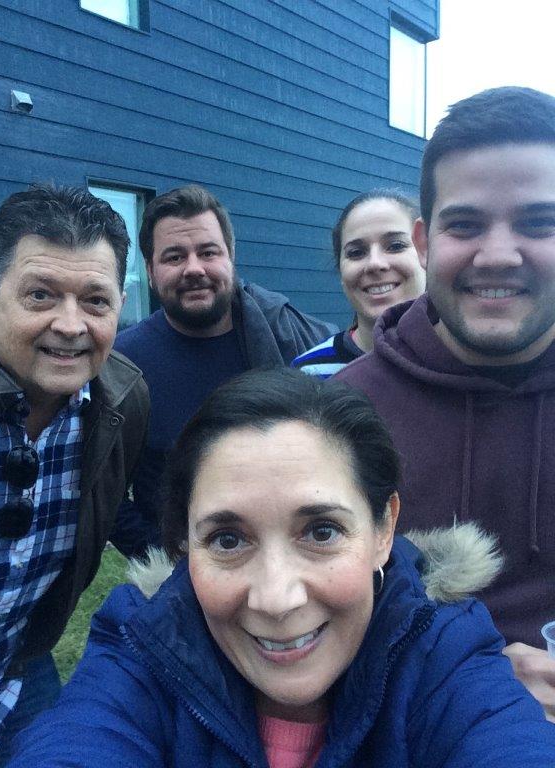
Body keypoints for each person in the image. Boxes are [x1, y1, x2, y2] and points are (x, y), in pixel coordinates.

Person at [8, 369, 555, 768]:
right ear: (183, 546)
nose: (276, 598)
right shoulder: (141, 643)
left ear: (384, 528)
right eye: (227, 539)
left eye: (321, 532)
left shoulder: (444, 652)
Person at [335, 86, 555, 721]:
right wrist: (462, 684)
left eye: (537, 223)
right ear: (426, 243)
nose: (498, 255)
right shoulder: (337, 418)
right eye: (466, 225)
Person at [0, 184, 149, 765]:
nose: (71, 325)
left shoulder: (123, 400)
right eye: (41, 295)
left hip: (14, 672)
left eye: (95, 301)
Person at [114, 184, 336, 553]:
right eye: (174, 257)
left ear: (231, 257)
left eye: (208, 252)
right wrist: (172, 559)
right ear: (151, 271)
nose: (194, 269)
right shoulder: (122, 363)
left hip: (295, 552)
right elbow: (107, 493)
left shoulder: (289, 337)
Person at [291, 190, 425, 377]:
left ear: (426, 253)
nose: (374, 263)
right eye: (356, 252)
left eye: (395, 246)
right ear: (340, 270)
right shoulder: (309, 375)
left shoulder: (467, 363)